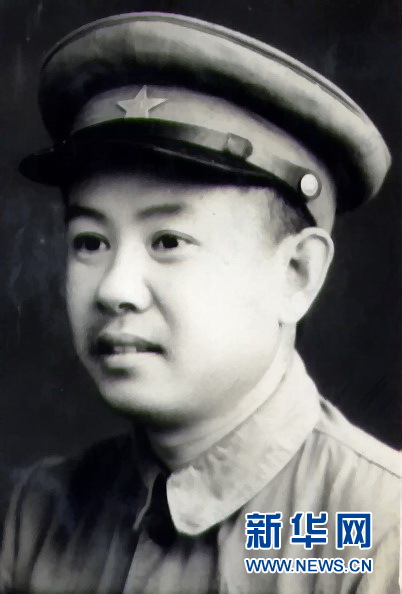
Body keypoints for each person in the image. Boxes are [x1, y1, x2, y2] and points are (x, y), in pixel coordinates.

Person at [0, 11, 399, 594]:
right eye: (90, 242)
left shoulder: (373, 532)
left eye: (168, 241)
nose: (114, 289)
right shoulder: (34, 515)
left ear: (296, 274)